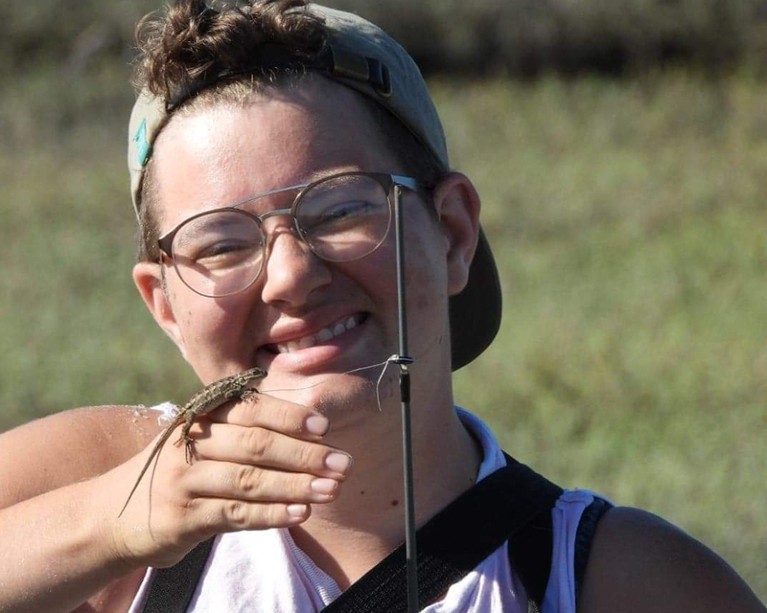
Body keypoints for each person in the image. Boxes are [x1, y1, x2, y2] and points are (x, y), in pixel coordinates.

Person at [0, 1, 764, 611]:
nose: (290, 276)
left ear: (454, 232)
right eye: (221, 243)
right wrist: (115, 526)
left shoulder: (604, 578)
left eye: (339, 210)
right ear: (162, 303)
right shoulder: (102, 482)